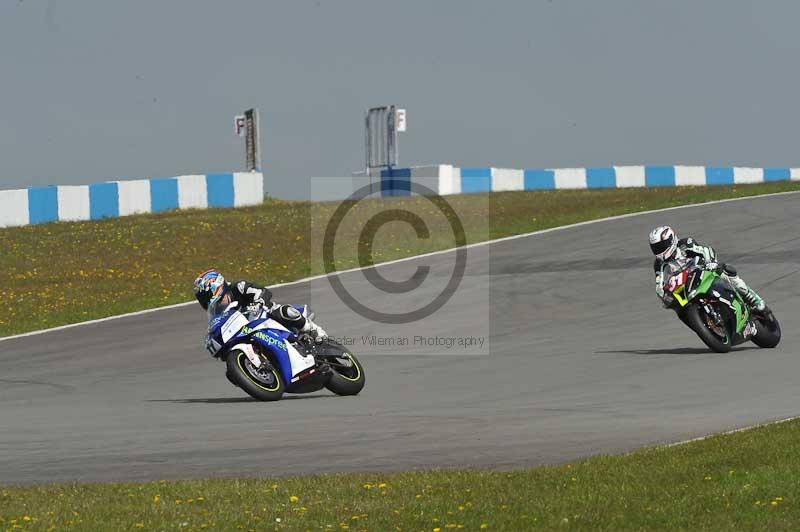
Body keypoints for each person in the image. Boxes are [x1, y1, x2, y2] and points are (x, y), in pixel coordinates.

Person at [648, 226, 766, 311]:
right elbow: (659, 283)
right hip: (686, 287)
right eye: (655, 247)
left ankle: (751, 297)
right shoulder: (659, 264)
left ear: (671, 240)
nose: (659, 250)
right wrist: (663, 295)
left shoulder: (685, 245)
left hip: (703, 271)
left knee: (724, 271)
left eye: (661, 246)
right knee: (678, 308)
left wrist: (711, 262)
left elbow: (705, 250)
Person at [193, 269, 328, 341]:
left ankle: (313, 329)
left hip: (263, 314)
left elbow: (263, 291)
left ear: (218, 288)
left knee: (282, 311)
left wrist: (258, 302)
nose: (206, 301)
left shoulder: (238, 287)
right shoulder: (218, 312)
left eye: (206, 297)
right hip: (246, 330)